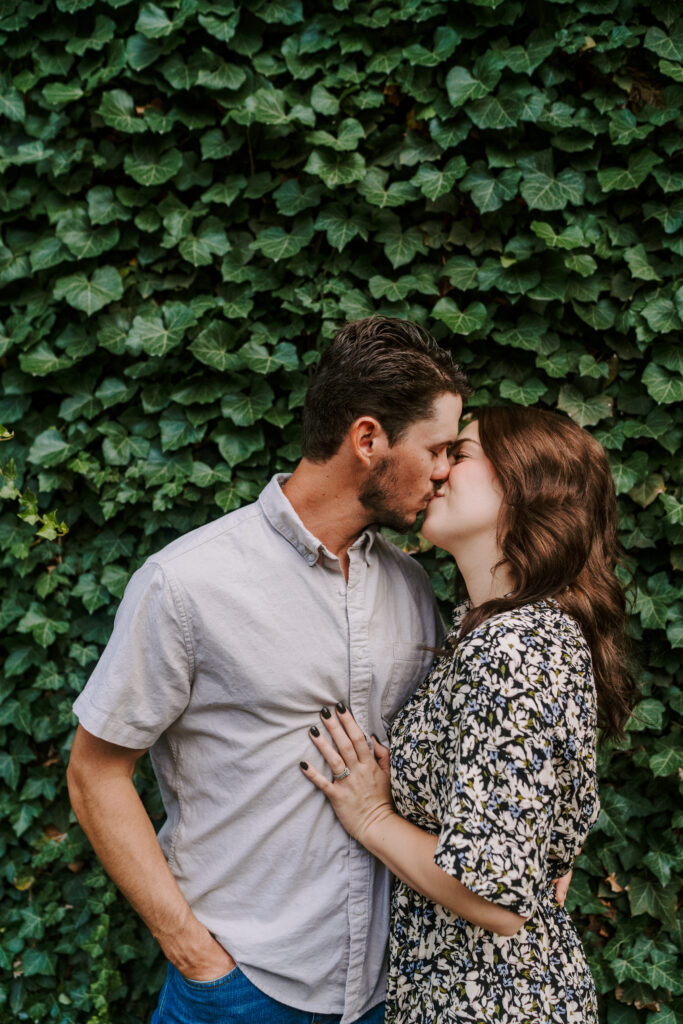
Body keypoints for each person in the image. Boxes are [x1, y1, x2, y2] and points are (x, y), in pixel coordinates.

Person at [66, 316, 471, 1024]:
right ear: (367, 439)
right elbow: (94, 771)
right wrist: (198, 958)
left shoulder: (412, 586)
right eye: (437, 448)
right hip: (243, 989)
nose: (446, 472)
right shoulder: (188, 584)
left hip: (387, 993)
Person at [302, 406, 636, 1024]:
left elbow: (498, 897)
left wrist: (372, 815)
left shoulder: (513, 646)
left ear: (525, 484)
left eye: (460, 454)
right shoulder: (513, 631)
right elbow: (531, 852)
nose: (438, 470)